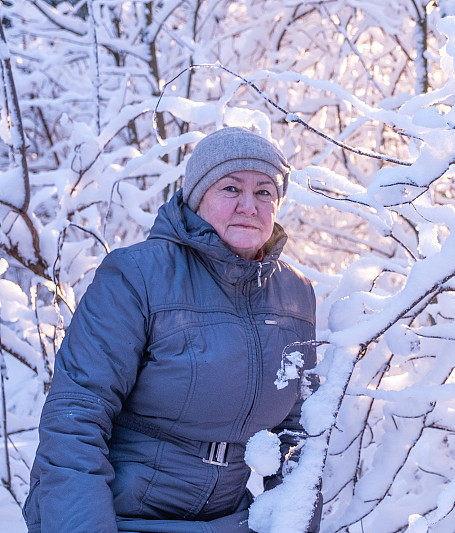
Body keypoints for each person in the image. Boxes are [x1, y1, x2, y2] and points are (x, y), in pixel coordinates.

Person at [22, 127, 321, 532]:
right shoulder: (136, 276)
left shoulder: (295, 294)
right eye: (231, 188)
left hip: (230, 520)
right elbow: (76, 416)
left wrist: (294, 522)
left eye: (264, 192)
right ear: (196, 199)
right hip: (123, 516)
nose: (249, 206)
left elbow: (299, 431)